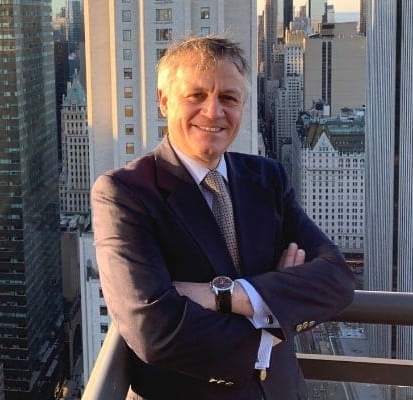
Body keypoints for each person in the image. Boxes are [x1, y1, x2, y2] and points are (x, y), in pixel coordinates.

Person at [91, 35, 355, 400]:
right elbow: (154, 329)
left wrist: (225, 295)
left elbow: (337, 279)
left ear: (243, 105)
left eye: (229, 98)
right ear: (164, 101)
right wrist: (272, 325)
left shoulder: (268, 179)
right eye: (196, 95)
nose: (213, 112)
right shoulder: (125, 193)